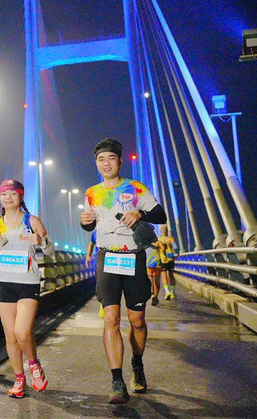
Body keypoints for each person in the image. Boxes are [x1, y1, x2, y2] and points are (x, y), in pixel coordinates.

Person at [80, 137, 167, 404]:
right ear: (97, 163)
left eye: (110, 158)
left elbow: (160, 215)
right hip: (107, 259)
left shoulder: (136, 188)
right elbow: (89, 225)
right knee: (111, 320)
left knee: (137, 320)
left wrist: (140, 214)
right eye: (100, 160)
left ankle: (137, 363)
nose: (106, 164)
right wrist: (85, 222)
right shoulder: (92, 192)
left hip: (133, 258)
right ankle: (117, 381)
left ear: (119, 160)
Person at [0, 179, 53, 398]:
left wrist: (41, 241)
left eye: (13, 193)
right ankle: (19, 378)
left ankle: (34, 365)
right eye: (4, 194)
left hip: (28, 283)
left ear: (21, 196)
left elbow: (51, 251)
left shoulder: (31, 221)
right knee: (10, 336)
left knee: (22, 331)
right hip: (5, 283)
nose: (8, 197)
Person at [157, 225, 178, 300]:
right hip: (171, 259)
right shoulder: (170, 238)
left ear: (161, 231)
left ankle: (167, 291)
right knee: (171, 275)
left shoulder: (158, 239)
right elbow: (175, 247)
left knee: (164, 276)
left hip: (163, 259)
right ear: (167, 230)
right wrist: (177, 253)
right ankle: (173, 292)